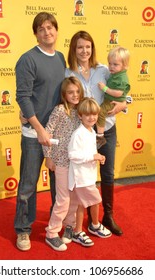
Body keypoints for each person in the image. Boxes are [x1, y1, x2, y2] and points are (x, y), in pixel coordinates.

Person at [65, 30, 127, 236]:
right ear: (74, 49)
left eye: (88, 46)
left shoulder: (104, 70)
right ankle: (75, 219)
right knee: (83, 177)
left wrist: (124, 104)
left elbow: (124, 90)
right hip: (82, 135)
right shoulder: (68, 73)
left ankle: (107, 216)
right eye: (80, 47)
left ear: (92, 48)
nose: (84, 51)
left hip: (106, 129)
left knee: (107, 173)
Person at [14, 12, 65, 251]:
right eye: (42, 29)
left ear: (56, 30)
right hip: (35, 135)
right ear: (36, 33)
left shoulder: (61, 58)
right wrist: (39, 129)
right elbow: (23, 97)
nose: (47, 32)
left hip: (58, 134)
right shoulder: (28, 59)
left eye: (50, 27)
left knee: (59, 183)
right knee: (28, 184)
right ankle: (23, 230)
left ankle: (55, 226)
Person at [43, 77, 84, 251]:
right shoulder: (59, 110)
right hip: (60, 161)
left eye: (77, 91)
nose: (74, 95)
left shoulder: (82, 111)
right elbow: (47, 133)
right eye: (70, 92)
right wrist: (48, 156)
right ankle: (51, 233)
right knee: (63, 199)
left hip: (77, 163)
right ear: (64, 94)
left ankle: (69, 226)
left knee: (74, 197)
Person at [68, 97, 112, 247]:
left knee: (81, 204)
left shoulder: (91, 132)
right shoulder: (78, 134)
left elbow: (90, 153)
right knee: (95, 201)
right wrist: (92, 157)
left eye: (94, 114)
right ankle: (94, 225)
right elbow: (72, 155)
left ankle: (78, 231)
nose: (91, 117)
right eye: (87, 115)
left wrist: (98, 158)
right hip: (81, 177)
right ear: (80, 116)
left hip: (88, 176)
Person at [97, 46, 130, 148]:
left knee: (101, 112)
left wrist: (105, 89)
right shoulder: (114, 73)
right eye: (110, 63)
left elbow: (120, 93)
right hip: (110, 100)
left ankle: (100, 136)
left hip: (112, 101)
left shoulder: (121, 78)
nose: (111, 66)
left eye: (115, 64)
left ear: (124, 65)